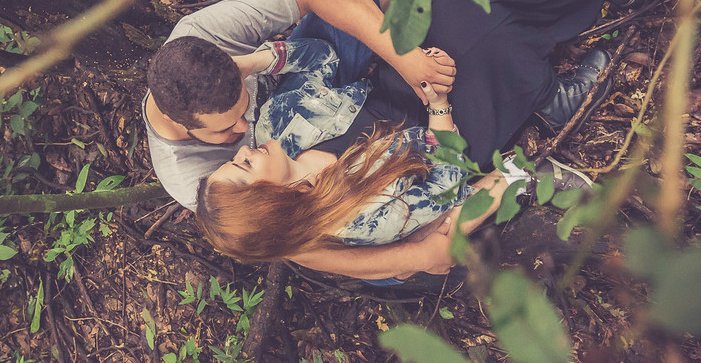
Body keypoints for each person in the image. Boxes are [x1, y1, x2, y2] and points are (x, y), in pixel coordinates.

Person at [144, 0, 626, 213]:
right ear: (181, 125)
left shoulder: (203, 42)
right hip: (359, 158)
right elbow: (285, 237)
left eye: (239, 109)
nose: (243, 127)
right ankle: (543, 99)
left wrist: (257, 62)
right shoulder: (198, 183)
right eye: (229, 130)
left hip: (313, 86)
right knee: (473, 54)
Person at [195, 67, 529, 279]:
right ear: (268, 202)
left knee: (417, 235)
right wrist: (413, 257)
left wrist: (261, 58)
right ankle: (524, 175)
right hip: (378, 233)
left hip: (376, 207)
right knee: (434, 230)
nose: (241, 149)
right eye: (242, 165)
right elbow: (442, 187)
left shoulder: (280, 144)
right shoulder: (359, 218)